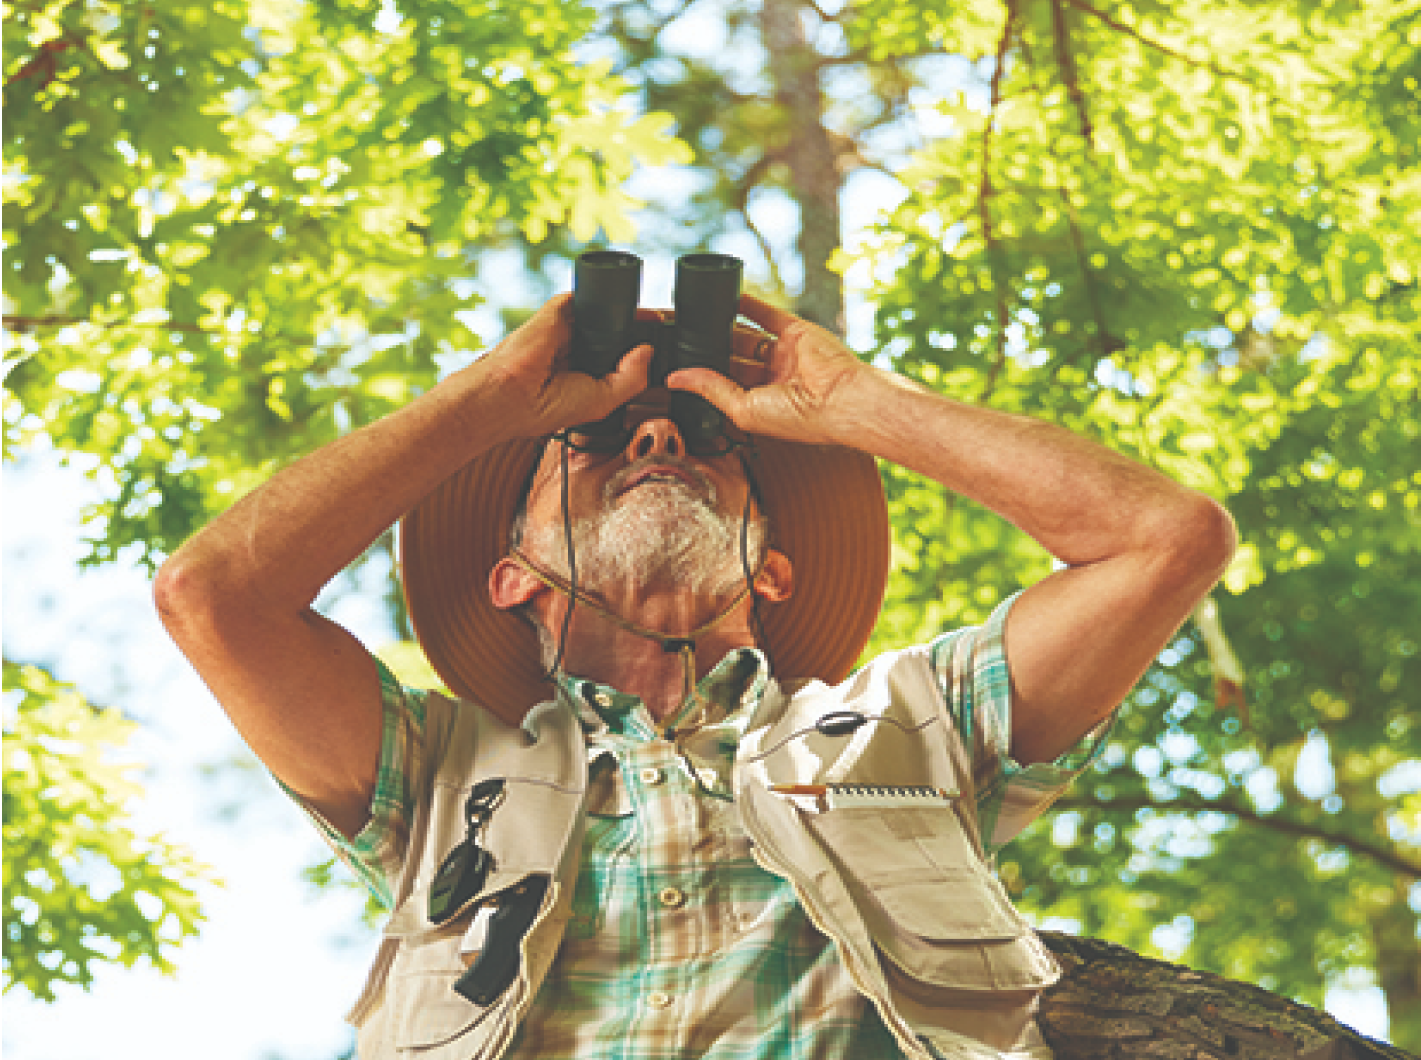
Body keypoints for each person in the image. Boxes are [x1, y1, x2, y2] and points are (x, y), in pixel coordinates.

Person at [155, 288, 1236, 1060]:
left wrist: (856, 403)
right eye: (593, 442)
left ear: (770, 569)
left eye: (713, 443)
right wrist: (491, 399)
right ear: (510, 577)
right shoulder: (439, 777)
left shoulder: (915, 717)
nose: (660, 432)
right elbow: (213, 597)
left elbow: (1162, 539)